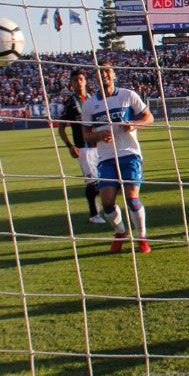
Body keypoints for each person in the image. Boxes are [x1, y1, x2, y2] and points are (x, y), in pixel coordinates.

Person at [81, 60, 154, 254]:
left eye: (107, 71)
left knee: (131, 198)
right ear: (95, 78)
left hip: (129, 154)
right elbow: (86, 135)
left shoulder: (127, 95)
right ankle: (121, 232)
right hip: (105, 158)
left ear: (114, 75)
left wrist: (134, 124)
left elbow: (149, 117)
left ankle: (141, 237)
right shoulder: (89, 105)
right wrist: (98, 135)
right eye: (99, 72)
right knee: (106, 202)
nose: (104, 75)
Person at [58, 69, 104, 224]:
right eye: (75, 80)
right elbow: (61, 128)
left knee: (105, 179)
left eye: (81, 79)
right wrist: (70, 146)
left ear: (85, 81)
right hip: (83, 148)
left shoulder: (93, 99)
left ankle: (100, 211)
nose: (79, 82)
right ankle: (94, 214)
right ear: (71, 84)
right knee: (93, 182)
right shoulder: (70, 103)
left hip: (100, 145)